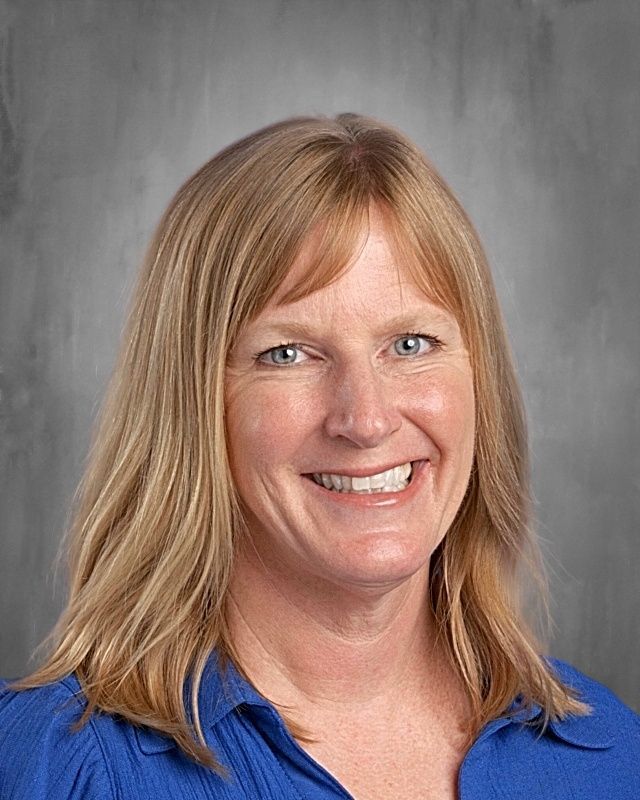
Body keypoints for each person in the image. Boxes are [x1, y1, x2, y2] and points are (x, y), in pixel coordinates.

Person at [0, 113, 638, 799]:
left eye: (411, 344)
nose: (366, 419)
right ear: (193, 405)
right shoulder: (56, 764)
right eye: (288, 354)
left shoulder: (610, 758)